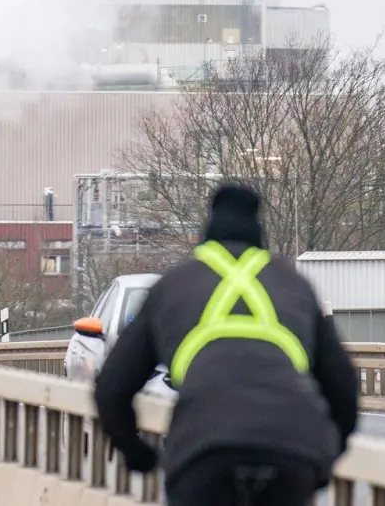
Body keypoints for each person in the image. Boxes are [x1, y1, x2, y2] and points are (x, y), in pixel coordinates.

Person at [93, 183, 360, 506]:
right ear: (258, 231)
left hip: (204, 452)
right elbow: (343, 386)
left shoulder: (173, 286)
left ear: (207, 229)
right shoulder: (295, 286)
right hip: (290, 451)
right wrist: (327, 455)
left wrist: (136, 453)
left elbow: (111, 387)